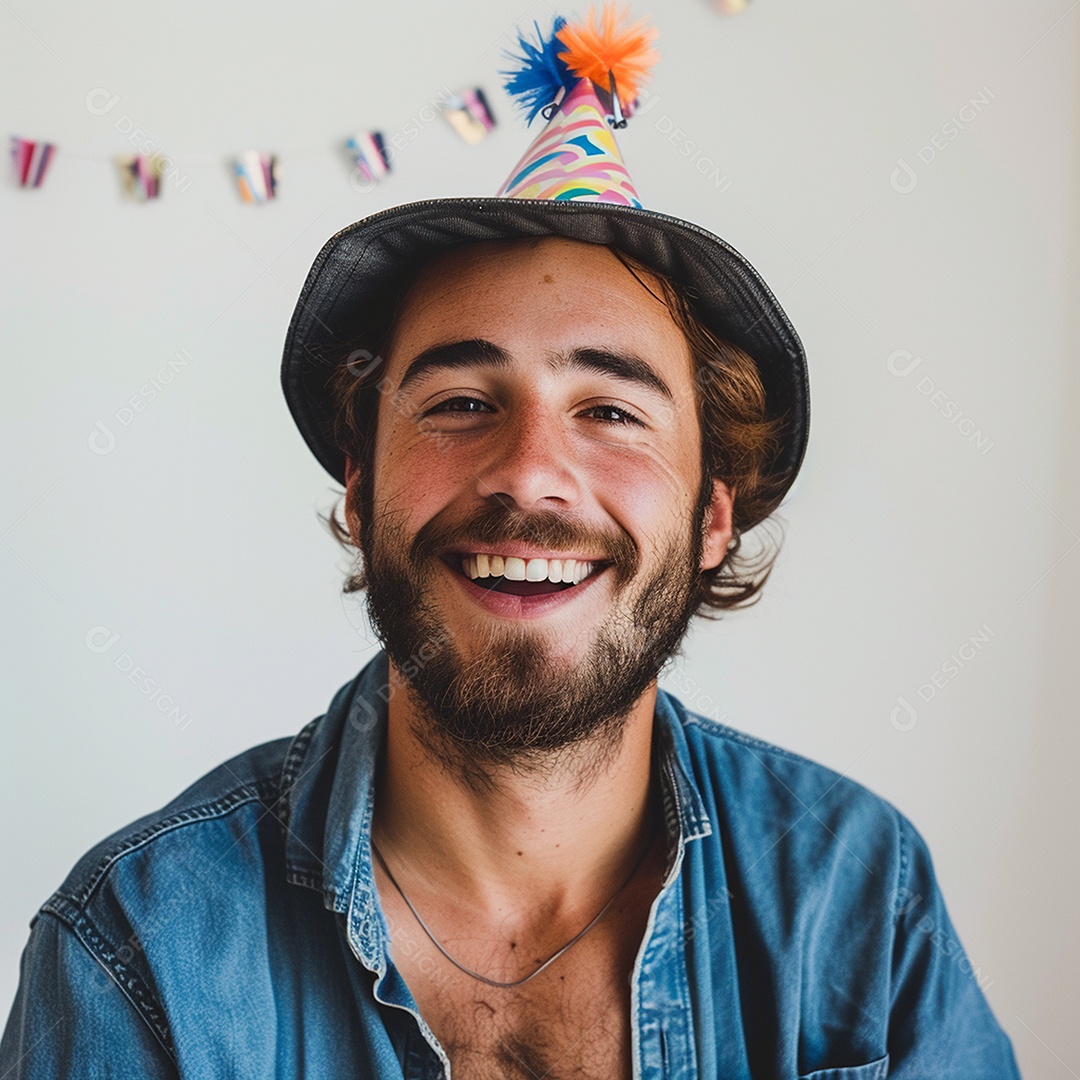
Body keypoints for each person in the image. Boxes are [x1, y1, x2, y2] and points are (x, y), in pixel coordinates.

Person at [1, 11, 1020, 1079]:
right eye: (459, 401)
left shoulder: (860, 904)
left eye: (612, 412)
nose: (530, 472)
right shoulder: (137, 950)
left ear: (714, 515)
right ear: (360, 485)